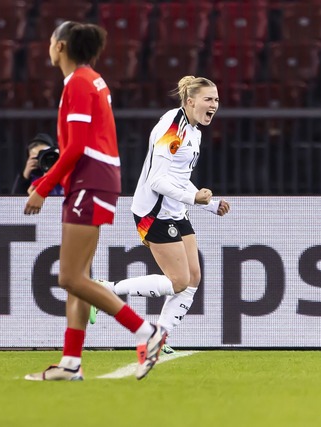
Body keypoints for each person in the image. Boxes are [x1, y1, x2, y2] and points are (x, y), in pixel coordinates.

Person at [23, 21, 167, 381]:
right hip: (96, 180)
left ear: (60, 46)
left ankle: (148, 333)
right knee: (78, 277)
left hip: (90, 179)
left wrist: (43, 185)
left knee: (70, 276)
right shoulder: (91, 79)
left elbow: (76, 146)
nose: (49, 45)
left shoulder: (80, 83)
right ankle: (71, 364)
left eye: (51, 39)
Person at [90, 76, 230, 354]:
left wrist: (209, 204)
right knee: (178, 280)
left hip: (176, 210)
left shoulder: (195, 131)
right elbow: (156, 180)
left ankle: (159, 337)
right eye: (208, 99)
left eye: (216, 99)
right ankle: (107, 290)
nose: (214, 104)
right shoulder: (172, 127)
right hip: (154, 212)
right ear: (190, 102)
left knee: (192, 278)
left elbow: (179, 177)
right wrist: (193, 197)